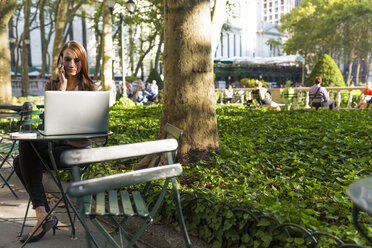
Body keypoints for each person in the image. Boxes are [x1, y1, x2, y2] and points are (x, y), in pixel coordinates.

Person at [13, 40, 98, 243]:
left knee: (20, 161)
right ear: (60, 60)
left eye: (76, 60)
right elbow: (53, 128)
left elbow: (91, 132)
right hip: (56, 147)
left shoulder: (90, 88)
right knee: (24, 149)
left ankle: (43, 217)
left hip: (78, 152)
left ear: (82, 61)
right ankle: (44, 215)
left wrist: (62, 134)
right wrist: (60, 89)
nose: (71, 64)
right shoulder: (51, 85)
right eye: (67, 59)